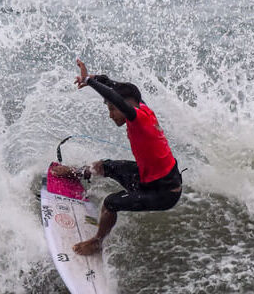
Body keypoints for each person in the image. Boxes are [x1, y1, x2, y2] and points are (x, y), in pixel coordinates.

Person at [50, 59, 182, 255]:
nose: (110, 115)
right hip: (149, 178)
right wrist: (93, 79)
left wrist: (90, 81)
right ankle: (76, 173)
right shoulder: (140, 107)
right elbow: (115, 87)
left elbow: (116, 96)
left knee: (111, 203)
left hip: (164, 193)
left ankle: (97, 242)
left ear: (126, 106)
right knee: (106, 166)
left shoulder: (139, 118)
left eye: (112, 109)